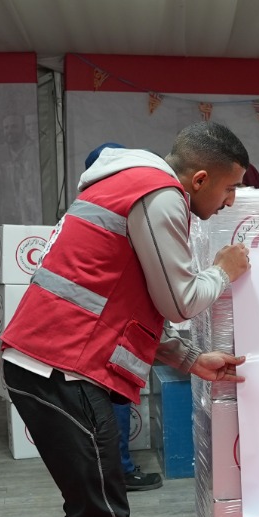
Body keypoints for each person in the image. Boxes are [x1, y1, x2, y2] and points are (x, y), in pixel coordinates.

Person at [2, 122, 252, 517]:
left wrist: (190, 359)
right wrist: (224, 269)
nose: (229, 203)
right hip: (65, 370)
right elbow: (180, 300)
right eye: (229, 189)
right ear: (199, 179)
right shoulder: (159, 195)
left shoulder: (122, 186)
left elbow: (124, 302)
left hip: (45, 364)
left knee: (87, 511)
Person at [82, 141, 162, 491]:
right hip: (111, 326)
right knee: (113, 396)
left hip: (91, 328)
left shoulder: (87, 208)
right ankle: (120, 471)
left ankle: (110, 470)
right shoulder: (126, 209)